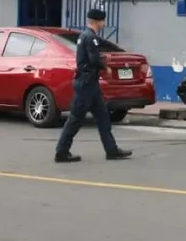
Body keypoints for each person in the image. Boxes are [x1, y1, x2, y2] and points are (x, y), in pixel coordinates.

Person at [54, 8, 132, 163]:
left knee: (103, 117)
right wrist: (106, 67)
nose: (104, 23)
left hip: (91, 85)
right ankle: (61, 152)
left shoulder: (85, 36)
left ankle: (112, 150)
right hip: (86, 85)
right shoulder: (91, 38)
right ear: (97, 21)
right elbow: (94, 59)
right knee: (75, 119)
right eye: (103, 20)